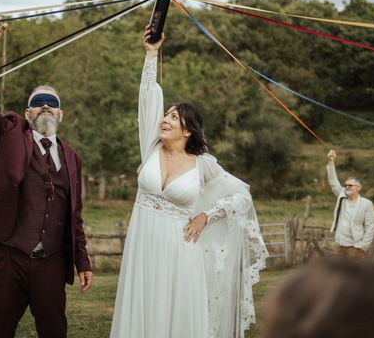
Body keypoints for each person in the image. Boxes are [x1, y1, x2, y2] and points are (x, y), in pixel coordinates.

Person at [110, 28, 268, 338]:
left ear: (188, 131)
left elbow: (242, 197)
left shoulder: (203, 165)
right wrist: (151, 55)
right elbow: (147, 98)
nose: (164, 120)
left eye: (173, 117)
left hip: (182, 253)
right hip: (143, 247)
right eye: (165, 115)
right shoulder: (151, 147)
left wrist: (206, 215)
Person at [0, 17, 92, 338]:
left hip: (50, 263)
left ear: (61, 115)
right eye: (38, 104)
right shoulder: (8, 133)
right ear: (27, 114)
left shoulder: (72, 158)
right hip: (8, 258)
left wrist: (83, 262)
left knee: (55, 332)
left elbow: (73, 215)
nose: (45, 108)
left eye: (52, 105)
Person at [327, 149, 374, 258]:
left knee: (356, 275)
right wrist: (331, 161)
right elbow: (333, 181)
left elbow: (370, 227)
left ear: (358, 188)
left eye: (350, 185)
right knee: (337, 274)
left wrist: (363, 246)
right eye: (346, 185)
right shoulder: (342, 197)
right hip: (340, 246)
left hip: (356, 248)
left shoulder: (366, 204)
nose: (347, 187)